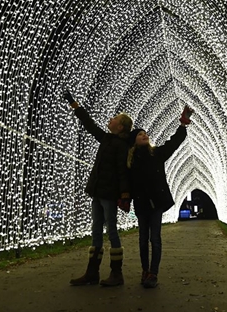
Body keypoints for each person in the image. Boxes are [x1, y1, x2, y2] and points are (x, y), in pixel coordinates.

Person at [62, 91, 132, 287]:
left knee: (111, 230)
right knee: (95, 230)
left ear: (120, 126)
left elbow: (122, 171)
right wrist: (74, 105)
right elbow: (89, 124)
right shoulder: (107, 139)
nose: (110, 120)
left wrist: (125, 194)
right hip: (97, 192)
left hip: (109, 194)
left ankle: (116, 273)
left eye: (114, 119)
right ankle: (92, 272)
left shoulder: (120, 145)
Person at [127, 105, 193, 288]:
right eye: (140, 134)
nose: (145, 135)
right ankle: (145, 270)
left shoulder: (156, 154)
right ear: (134, 141)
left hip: (155, 204)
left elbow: (173, 143)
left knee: (154, 238)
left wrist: (183, 123)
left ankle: (153, 273)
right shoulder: (130, 161)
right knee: (142, 239)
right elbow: (125, 181)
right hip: (140, 204)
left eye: (146, 133)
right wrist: (124, 197)